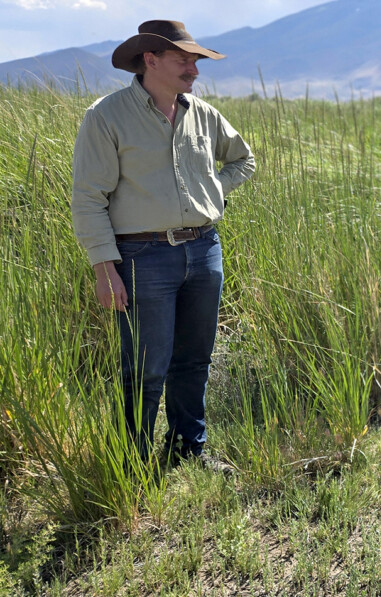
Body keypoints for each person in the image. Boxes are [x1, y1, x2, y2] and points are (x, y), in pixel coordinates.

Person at [71, 20, 256, 469]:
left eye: (195, 60)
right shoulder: (106, 116)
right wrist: (104, 268)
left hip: (204, 250)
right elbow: (88, 198)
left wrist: (212, 191)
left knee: (195, 360)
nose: (194, 69)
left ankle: (187, 451)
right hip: (142, 257)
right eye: (183, 60)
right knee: (145, 369)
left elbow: (244, 160)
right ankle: (131, 465)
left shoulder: (203, 113)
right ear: (150, 60)